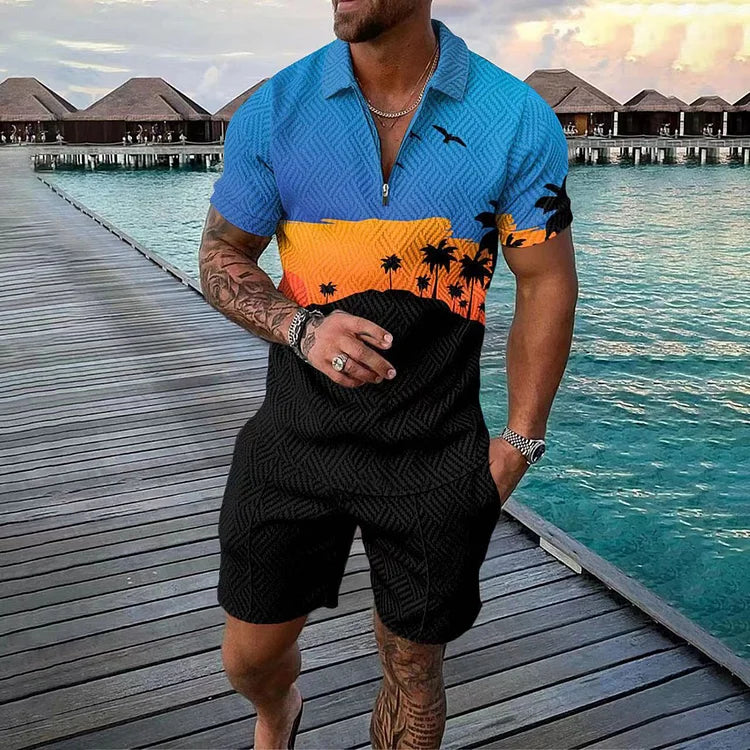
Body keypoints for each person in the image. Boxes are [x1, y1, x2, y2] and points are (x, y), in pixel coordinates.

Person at [199, 2, 577, 748]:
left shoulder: (513, 117)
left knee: (413, 668)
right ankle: (278, 710)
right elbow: (221, 254)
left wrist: (520, 441)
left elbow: (545, 280)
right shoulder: (276, 110)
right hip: (295, 437)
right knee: (249, 658)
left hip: (432, 449)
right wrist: (301, 328)